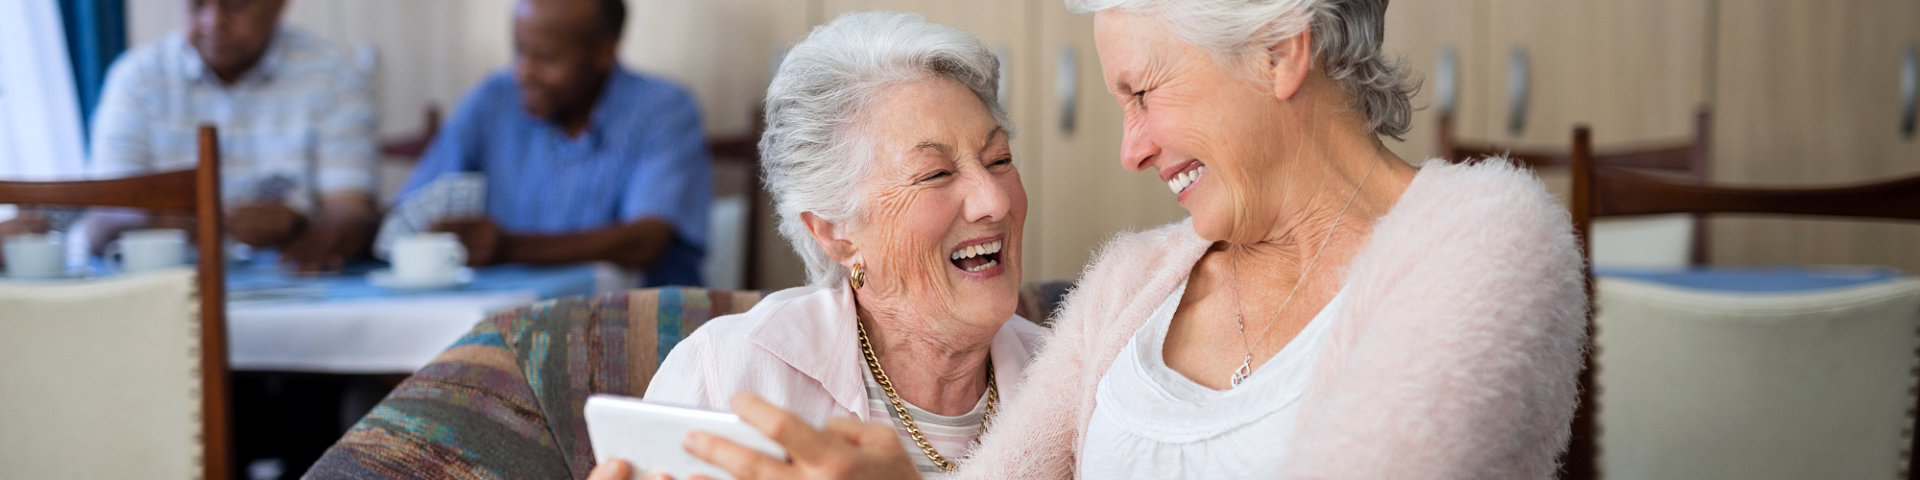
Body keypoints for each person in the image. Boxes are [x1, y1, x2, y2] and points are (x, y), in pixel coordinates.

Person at [650, 0, 1590, 478]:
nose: (1132, 148)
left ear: (1279, 49)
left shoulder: (1483, 233)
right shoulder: (1133, 279)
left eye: (1142, 91)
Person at [587, 12, 1046, 479]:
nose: (993, 200)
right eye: (936, 174)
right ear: (834, 232)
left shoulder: (1072, 376)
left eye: (999, 159)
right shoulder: (732, 374)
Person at [394, 0, 712, 287]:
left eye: (545, 57)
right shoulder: (493, 100)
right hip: (509, 320)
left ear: (605, 52)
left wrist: (510, 248)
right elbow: (410, 211)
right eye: (519, 50)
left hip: (640, 328)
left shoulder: (663, 108)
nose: (524, 73)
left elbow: (645, 242)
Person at [85, 0, 379, 272]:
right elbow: (103, 221)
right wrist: (169, 223)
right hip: (165, 294)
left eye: (235, 5)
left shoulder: (332, 75)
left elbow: (351, 212)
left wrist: (302, 228)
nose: (213, 22)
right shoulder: (137, 78)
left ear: (278, 6)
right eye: (197, 4)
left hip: (294, 289)